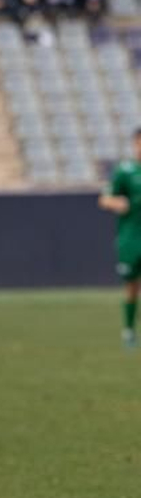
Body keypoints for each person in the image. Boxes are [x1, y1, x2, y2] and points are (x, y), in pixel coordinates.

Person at [97, 130, 141, 348]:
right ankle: (129, 331)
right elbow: (104, 199)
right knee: (131, 286)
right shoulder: (125, 171)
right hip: (130, 239)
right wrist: (118, 203)